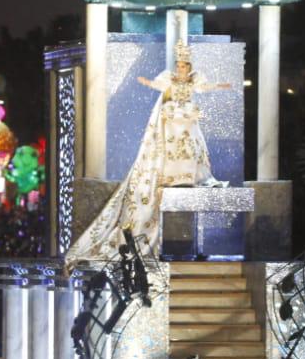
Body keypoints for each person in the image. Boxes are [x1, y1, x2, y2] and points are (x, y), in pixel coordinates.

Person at [66, 40, 231, 263]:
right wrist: (148, 83)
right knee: (174, 141)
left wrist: (219, 87)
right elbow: (158, 88)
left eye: (185, 65)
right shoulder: (169, 81)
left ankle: (190, 176)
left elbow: (204, 87)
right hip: (172, 122)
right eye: (179, 65)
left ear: (189, 66)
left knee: (190, 145)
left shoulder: (194, 81)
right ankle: (170, 175)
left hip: (188, 123)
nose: (182, 69)